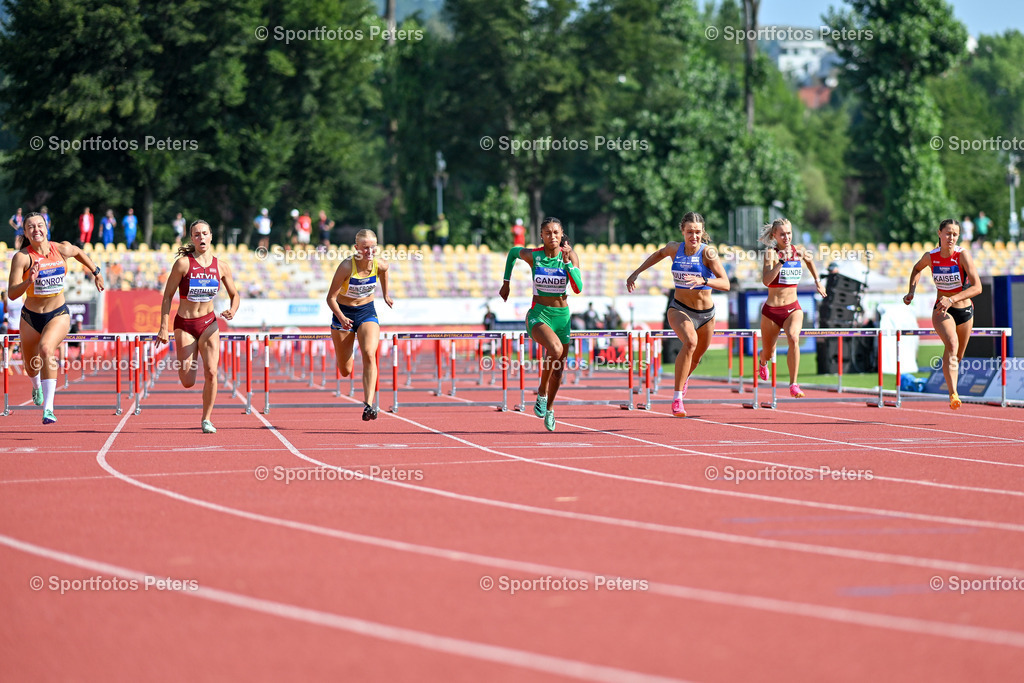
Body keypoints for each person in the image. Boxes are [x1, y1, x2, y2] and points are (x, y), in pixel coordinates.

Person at [626, 212, 730, 416]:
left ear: (703, 232)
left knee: (697, 356)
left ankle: (684, 379)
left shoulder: (708, 254)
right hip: (679, 309)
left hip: (706, 315)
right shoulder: (675, 249)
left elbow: (725, 283)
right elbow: (658, 254)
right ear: (682, 231)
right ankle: (677, 399)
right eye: (690, 232)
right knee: (690, 342)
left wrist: (705, 281)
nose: (694, 236)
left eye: (698, 232)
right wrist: (636, 272)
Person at [6, 213, 105, 423]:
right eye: (30, 227)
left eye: (39, 225)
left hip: (57, 313)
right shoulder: (22, 257)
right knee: (30, 364)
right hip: (30, 317)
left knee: (46, 349)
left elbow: (78, 252)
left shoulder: (59, 248)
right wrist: (28, 281)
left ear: (47, 227)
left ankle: (48, 408)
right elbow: (12, 293)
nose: (36, 230)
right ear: (25, 232)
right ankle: (36, 388)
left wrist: (96, 271)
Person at [156, 220, 240, 433]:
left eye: (204, 233)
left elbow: (235, 294)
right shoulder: (183, 264)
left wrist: (233, 309)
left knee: (212, 371)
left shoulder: (221, 266)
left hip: (209, 323)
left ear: (211, 236)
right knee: (188, 381)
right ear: (192, 239)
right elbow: (167, 296)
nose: (201, 237)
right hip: (185, 324)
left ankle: (207, 419)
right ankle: (187, 373)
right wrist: (164, 327)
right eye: (196, 235)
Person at [499, 217, 582, 431]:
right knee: (554, 349)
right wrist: (506, 282)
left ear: (562, 233)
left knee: (558, 370)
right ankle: (541, 392)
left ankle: (550, 409)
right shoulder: (534, 255)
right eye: (547, 233)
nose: (552, 236)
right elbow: (512, 253)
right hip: (538, 315)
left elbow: (578, 287)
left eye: (556, 232)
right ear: (541, 236)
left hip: (562, 317)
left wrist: (566, 263)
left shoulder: (570, 255)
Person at [903, 218, 981, 410]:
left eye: (955, 234)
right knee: (952, 344)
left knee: (957, 355)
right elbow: (916, 269)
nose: (951, 237)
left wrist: (953, 299)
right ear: (939, 233)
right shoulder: (931, 256)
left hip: (964, 309)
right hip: (942, 309)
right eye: (948, 233)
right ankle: (953, 394)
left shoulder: (963, 256)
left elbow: (977, 287)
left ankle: (950, 382)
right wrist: (911, 291)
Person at [756, 217, 828, 398]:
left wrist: (818, 282)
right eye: (782, 234)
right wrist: (781, 263)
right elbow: (766, 281)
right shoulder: (770, 254)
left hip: (792, 309)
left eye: (789, 233)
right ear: (774, 235)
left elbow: (811, 262)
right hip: (771, 311)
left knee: (794, 338)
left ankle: (794, 384)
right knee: (769, 352)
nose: (786, 237)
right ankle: (762, 360)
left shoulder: (800, 251)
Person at [326, 228, 394, 421]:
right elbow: (330, 298)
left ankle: (369, 405)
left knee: (369, 353)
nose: (369, 252)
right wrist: (340, 316)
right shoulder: (347, 267)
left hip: (366, 312)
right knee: (345, 370)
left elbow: (384, 271)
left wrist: (386, 293)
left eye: (373, 247)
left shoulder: (379, 264)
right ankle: (345, 357)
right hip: (343, 314)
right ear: (356, 248)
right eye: (365, 248)